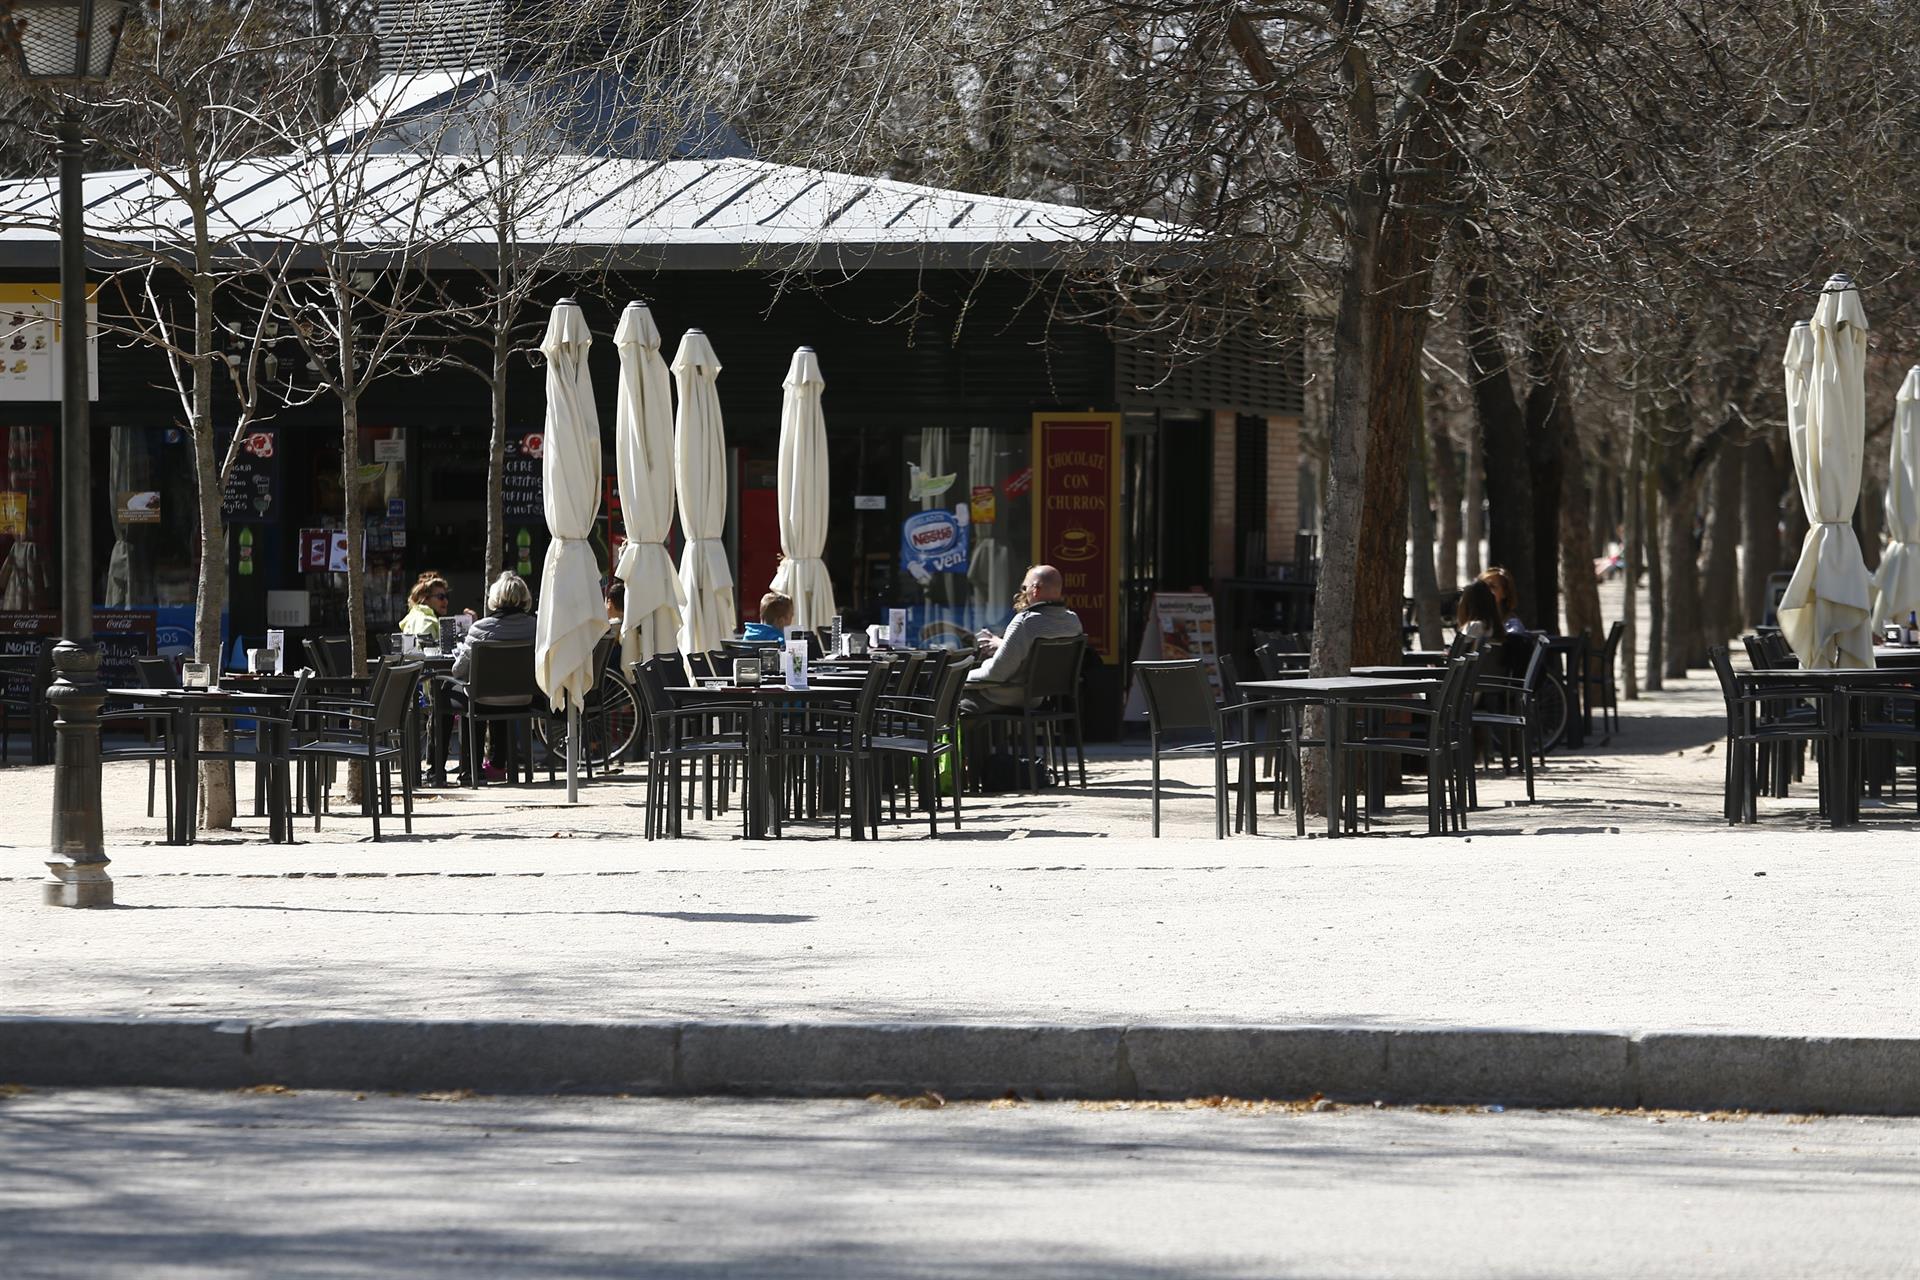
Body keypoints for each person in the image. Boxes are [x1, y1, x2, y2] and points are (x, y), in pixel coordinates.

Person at [428, 571, 538, 785]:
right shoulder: (535, 627)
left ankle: (442, 770)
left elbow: (459, 672)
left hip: (483, 701)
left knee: (444, 691)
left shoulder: (480, 628)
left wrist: (460, 655)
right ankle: (496, 765)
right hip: (524, 698)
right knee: (481, 692)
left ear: (495, 598)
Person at [962, 564, 1083, 712]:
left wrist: (959, 678)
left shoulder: (1026, 621)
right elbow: (1037, 653)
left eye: (1024, 588)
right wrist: (1003, 644)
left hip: (1006, 697)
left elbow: (996, 674)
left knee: (949, 699)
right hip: (1037, 699)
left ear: (1035, 589)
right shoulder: (1073, 621)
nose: (1022, 592)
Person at [1457, 579, 1530, 679]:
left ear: (1467, 604)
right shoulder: (1494, 626)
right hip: (1492, 681)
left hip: (1470, 683)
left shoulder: (1474, 627)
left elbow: (1458, 657)